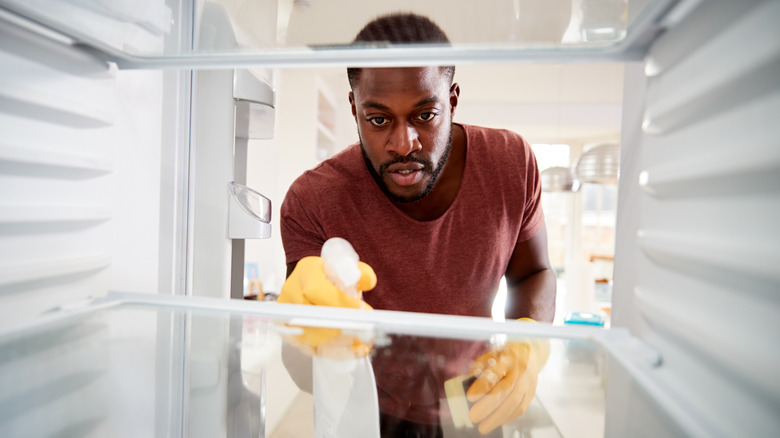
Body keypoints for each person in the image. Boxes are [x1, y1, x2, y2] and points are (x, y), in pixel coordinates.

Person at [277, 12, 556, 437]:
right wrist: (301, 334)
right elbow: (302, 370)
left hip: (475, 401)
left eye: (425, 115)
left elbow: (534, 272)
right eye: (378, 119)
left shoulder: (511, 164)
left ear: (453, 100)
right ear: (354, 109)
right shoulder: (312, 200)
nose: (404, 143)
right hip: (368, 408)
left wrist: (528, 346)